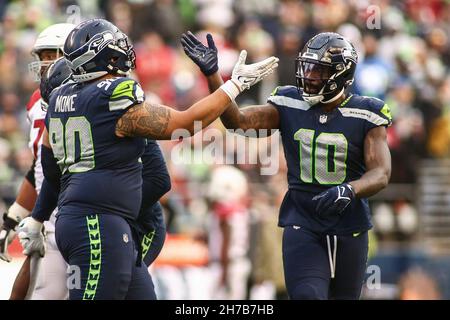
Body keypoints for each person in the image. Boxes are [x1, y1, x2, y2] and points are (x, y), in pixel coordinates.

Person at [17, 18, 278, 300]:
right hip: (98, 225)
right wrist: (234, 86)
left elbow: (49, 170)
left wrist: (37, 218)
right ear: (100, 54)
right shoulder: (113, 97)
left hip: (83, 219)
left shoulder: (58, 99)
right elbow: (186, 123)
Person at [181, 31, 392, 300]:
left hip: (349, 226)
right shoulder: (289, 102)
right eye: (308, 67)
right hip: (302, 221)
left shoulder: (366, 112)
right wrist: (215, 77)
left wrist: (349, 190)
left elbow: (381, 173)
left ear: (341, 74)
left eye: (319, 70)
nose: (310, 76)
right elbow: (238, 122)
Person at [0, 23, 76, 300]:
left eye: (51, 54)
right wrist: (14, 218)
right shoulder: (35, 101)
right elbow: (40, 167)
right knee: (46, 289)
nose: (45, 63)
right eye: (41, 56)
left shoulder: (90, 97)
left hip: (82, 208)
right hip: (49, 213)